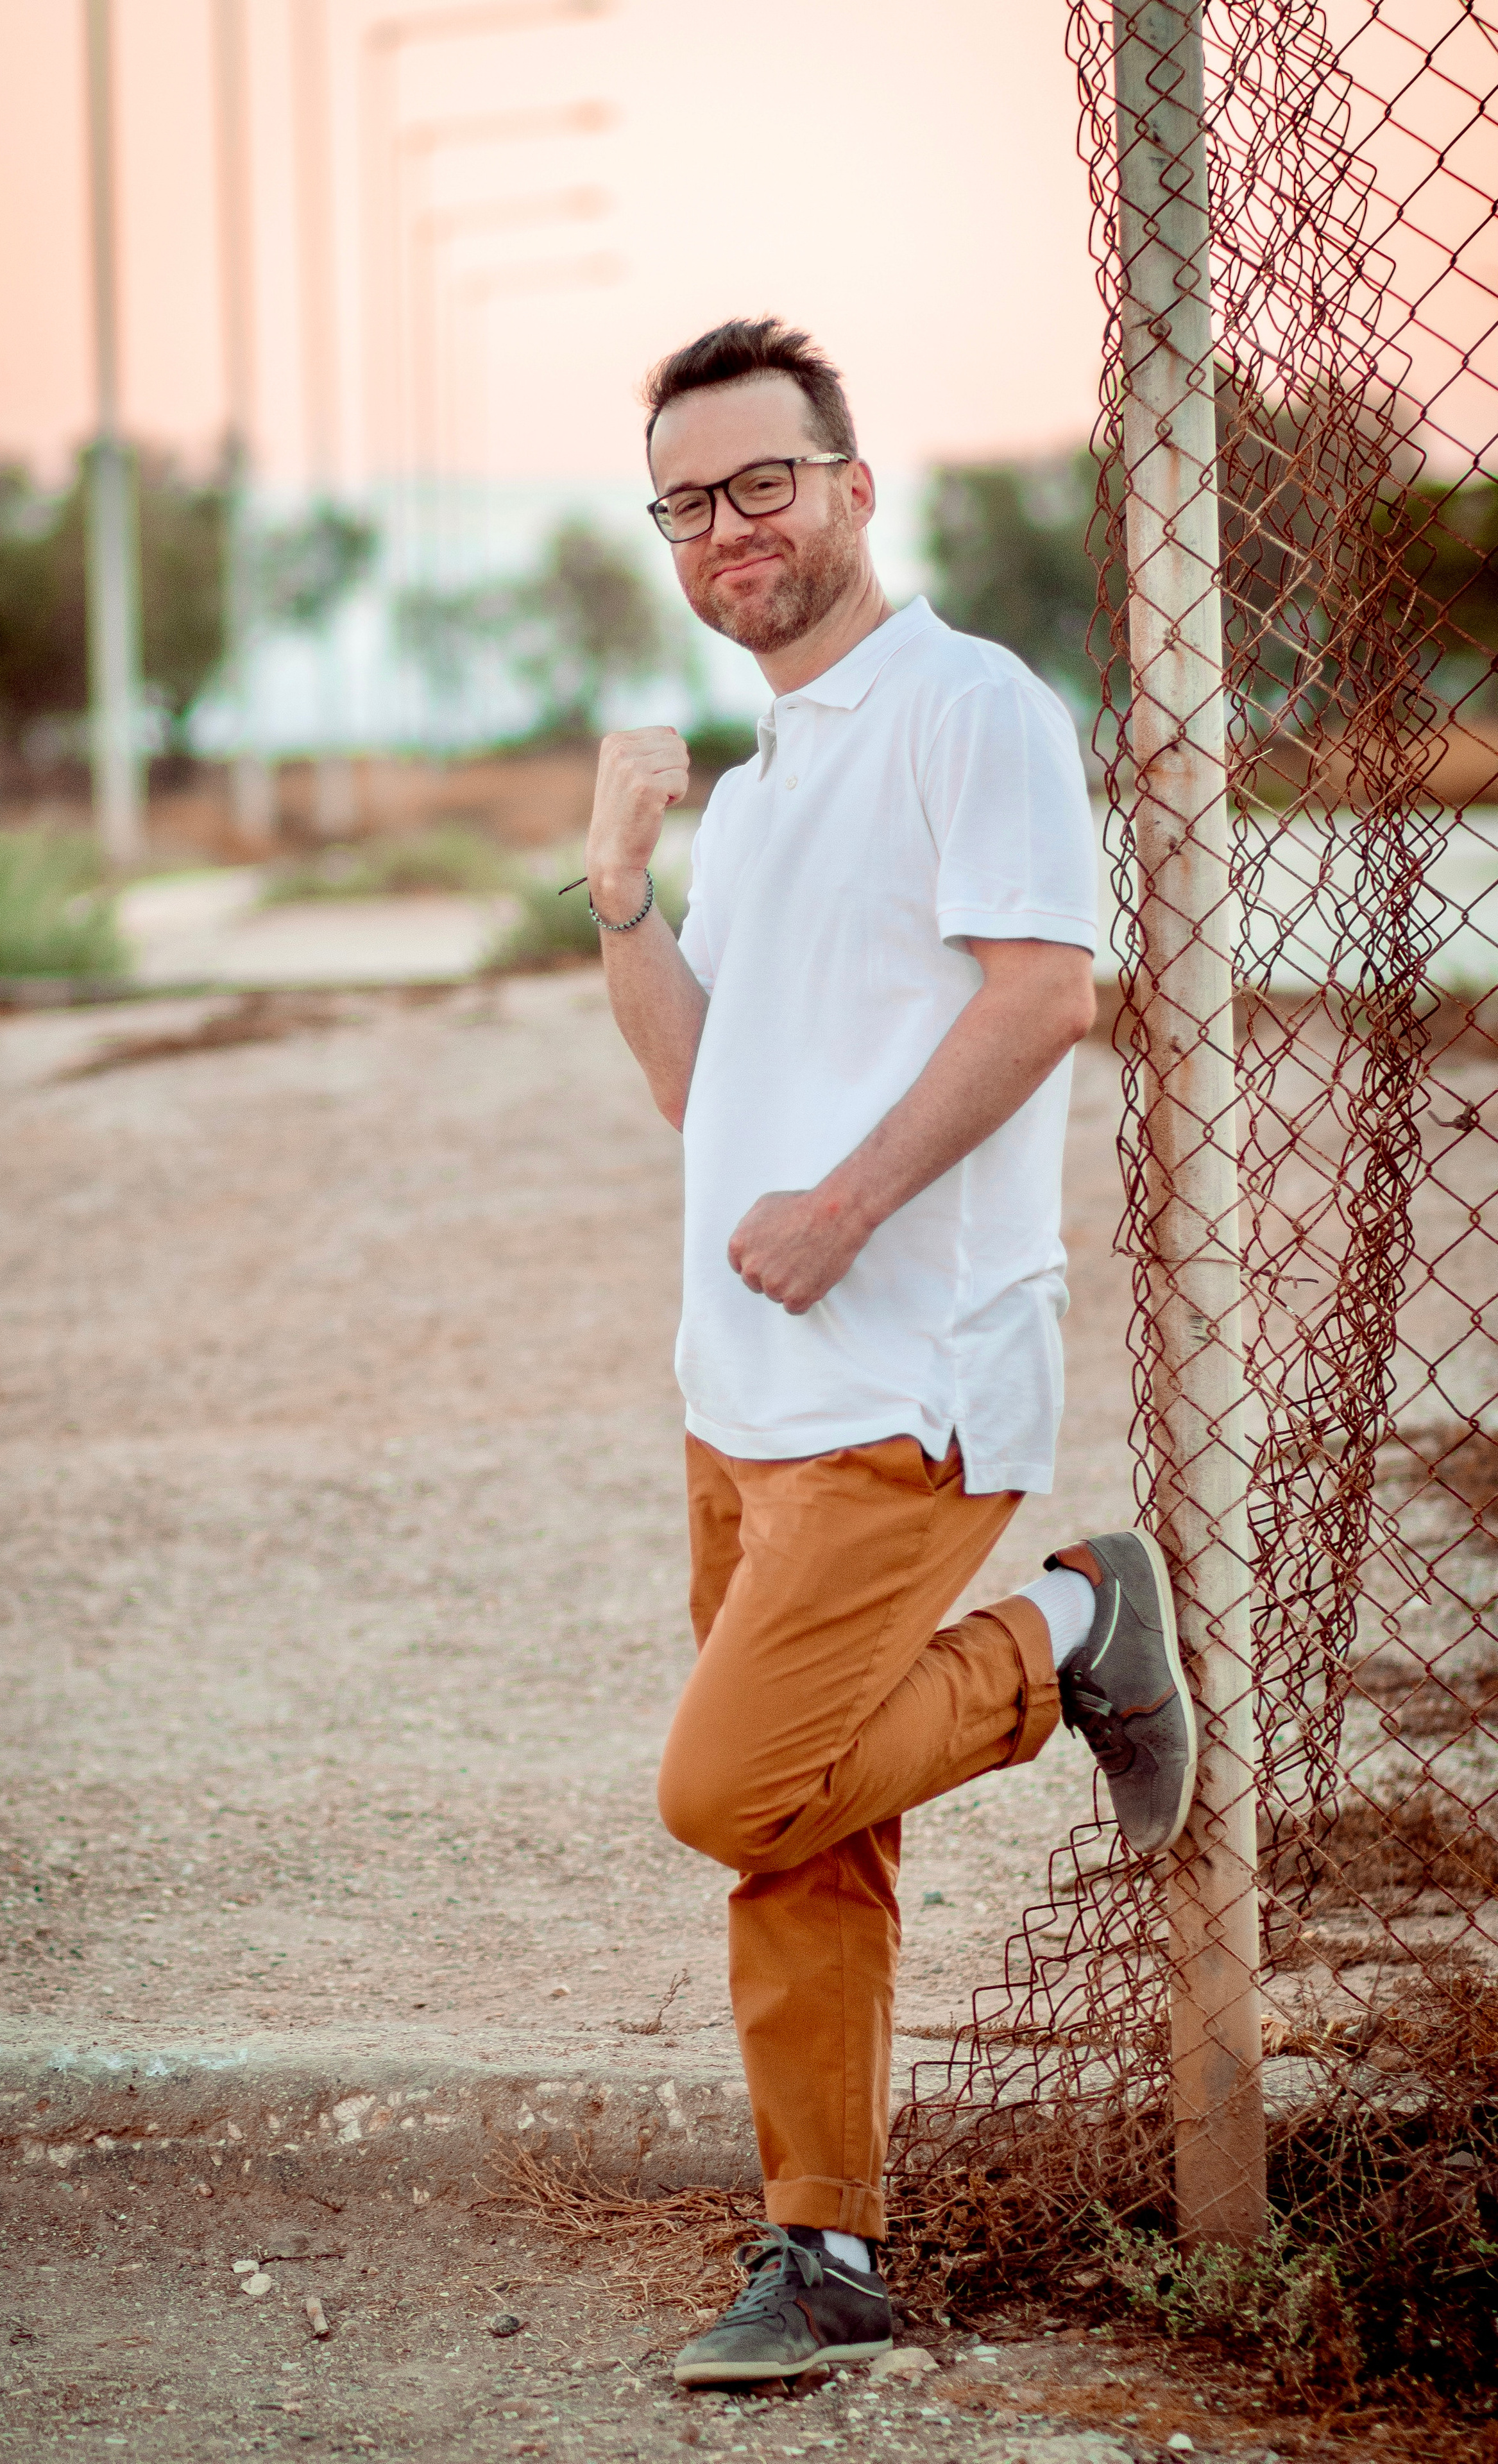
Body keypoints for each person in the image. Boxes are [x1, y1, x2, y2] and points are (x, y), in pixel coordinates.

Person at [582, 318, 1198, 2387]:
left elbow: (1043, 998)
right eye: (688, 501)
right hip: (739, 1398)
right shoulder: (764, 794)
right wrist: (620, 893)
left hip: (904, 1382)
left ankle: (1077, 1631)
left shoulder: (968, 707)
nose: (728, 527)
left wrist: (844, 1211)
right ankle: (826, 2249)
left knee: (731, 1785)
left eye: (762, 482)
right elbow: (702, 1088)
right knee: (801, 1831)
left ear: (854, 487)